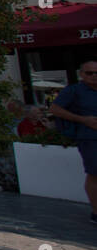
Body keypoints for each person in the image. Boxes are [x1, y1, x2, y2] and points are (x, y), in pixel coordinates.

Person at [49, 60, 97, 224]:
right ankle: (96, 212)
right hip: (89, 137)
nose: (94, 76)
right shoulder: (74, 91)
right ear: (81, 74)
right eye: (89, 73)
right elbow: (55, 109)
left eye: (96, 73)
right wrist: (83, 120)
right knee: (94, 173)